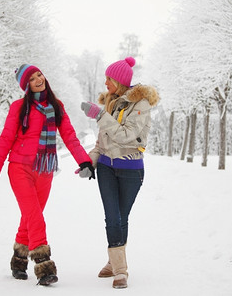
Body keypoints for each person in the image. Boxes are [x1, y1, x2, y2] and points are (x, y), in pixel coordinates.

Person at [0, 63, 95, 286]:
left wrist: (84, 160)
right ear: (26, 86)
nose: (38, 79)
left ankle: (18, 260)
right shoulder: (19, 107)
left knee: (29, 217)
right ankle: (44, 266)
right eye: (32, 78)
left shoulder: (56, 106)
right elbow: (5, 140)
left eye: (39, 74)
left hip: (44, 170)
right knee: (35, 217)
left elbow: (70, 137)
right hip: (19, 168)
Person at [81, 57, 159, 289]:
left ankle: (113, 262)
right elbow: (102, 141)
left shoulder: (140, 104)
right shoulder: (110, 104)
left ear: (119, 80)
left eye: (108, 79)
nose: (105, 83)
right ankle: (120, 271)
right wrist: (90, 162)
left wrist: (99, 116)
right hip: (106, 168)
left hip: (130, 169)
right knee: (111, 217)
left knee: (121, 217)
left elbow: (127, 136)